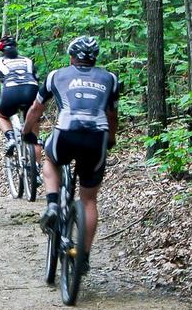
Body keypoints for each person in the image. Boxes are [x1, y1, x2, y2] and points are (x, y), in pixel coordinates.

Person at [21, 36, 119, 276]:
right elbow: (112, 115)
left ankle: (53, 204)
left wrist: (26, 133)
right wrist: (111, 139)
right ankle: (83, 257)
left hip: (66, 133)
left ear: (71, 56)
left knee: (51, 160)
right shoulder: (110, 78)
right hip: (97, 138)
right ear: (95, 58)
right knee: (89, 201)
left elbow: (36, 109)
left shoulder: (57, 75)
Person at [0, 36, 39, 156]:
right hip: (31, 90)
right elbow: (37, 79)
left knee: (2, 116)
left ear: (1, 51)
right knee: (34, 133)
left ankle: (10, 138)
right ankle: (36, 169)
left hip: (11, 92)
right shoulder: (28, 61)